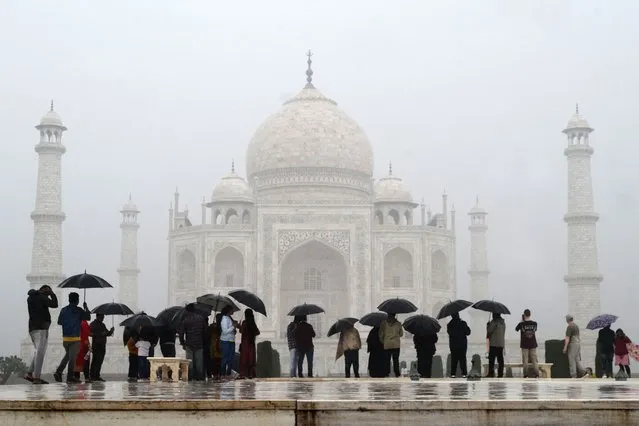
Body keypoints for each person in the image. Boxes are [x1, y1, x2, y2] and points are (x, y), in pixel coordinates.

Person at [25, 285, 58, 385]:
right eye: (48, 290)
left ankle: (30, 373)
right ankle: (37, 378)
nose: (49, 293)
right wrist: (52, 294)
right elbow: (55, 304)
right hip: (41, 328)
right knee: (40, 353)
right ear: (45, 289)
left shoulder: (30, 297)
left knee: (38, 351)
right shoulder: (42, 297)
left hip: (32, 328)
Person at [54, 292, 90, 384]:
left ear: (69, 300)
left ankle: (58, 372)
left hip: (65, 339)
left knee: (68, 356)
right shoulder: (79, 310)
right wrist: (86, 307)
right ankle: (70, 377)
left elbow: (59, 322)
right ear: (77, 300)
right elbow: (88, 317)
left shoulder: (63, 310)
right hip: (75, 339)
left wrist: (68, 322)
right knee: (72, 359)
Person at [178, 303, 208, 381]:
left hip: (189, 344)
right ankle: (200, 377)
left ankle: (190, 377)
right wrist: (203, 341)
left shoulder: (185, 320)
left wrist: (182, 343)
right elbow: (205, 331)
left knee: (190, 362)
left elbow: (181, 333)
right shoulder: (201, 318)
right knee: (199, 362)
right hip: (199, 344)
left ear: (187, 311)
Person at [89, 314, 114, 381]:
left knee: (100, 361)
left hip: (102, 345)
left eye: (103, 317)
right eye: (101, 317)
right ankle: (92, 375)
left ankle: (97, 375)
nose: (103, 318)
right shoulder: (93, 324)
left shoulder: (102, 325)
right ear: (97, 316)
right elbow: (89, 333)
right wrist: (99, 334)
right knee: (95, 360)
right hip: (96, 345)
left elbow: (107, 333)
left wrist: (111, 331)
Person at [515, 309, 539, 378]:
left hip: (524, 344)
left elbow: (516, 329)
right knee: (534, 360)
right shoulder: (535, 323)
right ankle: (536, 374)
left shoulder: (521, 324)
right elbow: (535, 330)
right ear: (530, 314)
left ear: (524, 315)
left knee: (525, 360)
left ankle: (525, 375)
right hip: (533, 344)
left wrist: (522, 321)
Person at [447, 312, 470, 378]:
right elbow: (468, 332)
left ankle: (453, 374)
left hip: (453, 344)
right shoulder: (463, 323)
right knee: (462, 358)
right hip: (462, 344)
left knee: (454, 359)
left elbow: (449, 333)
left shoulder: (450, 324)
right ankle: (464, 373)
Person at [379, 313, 403, 377]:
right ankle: (397, 373)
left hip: (387, 344)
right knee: (396, 360)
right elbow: (401, 334)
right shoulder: (398, 324)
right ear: (394, 315)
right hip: (396, 344)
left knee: (387, 360)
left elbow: (381, 334)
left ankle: (386, 373)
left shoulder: (384, 324)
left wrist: (383, 341)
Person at [239, 309, 260, 379]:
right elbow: (258, 332)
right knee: (251, 358)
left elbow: (241, 331)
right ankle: (251, 374)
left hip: (245, 343)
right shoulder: (253, 323)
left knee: (244, 358)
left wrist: (239, 326)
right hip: (251, 343)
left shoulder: (244, 323)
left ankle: (244, 374)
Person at [220, 305, 238, 378]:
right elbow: (225, 331)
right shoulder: (224, 319)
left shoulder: (229, 318)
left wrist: (234, 328)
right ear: (228, 311)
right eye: (232, 310)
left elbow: (231, 330)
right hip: (225, 341)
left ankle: (228, 373)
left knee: (231, 358)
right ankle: (223, 374)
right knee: (225, 358)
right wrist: (233, 326)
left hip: (231, 340)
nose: (233, 311)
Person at [486, 313, 506, 378]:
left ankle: (491, 373)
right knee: (500, 360)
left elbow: (489, 330)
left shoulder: (494, 321)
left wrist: (488, 325)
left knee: (491, 360)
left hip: (494, 343)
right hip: (501, 343)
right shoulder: (503, 323)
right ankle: (500, 374)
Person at [75, 318, 92, 383]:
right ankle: (87, 377)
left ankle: (76, 377)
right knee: (86, 361)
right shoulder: (84, 323)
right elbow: (87, 334)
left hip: (78, 345)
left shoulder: (78, 322)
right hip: (84, 346)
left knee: (77, 362)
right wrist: (88, 345)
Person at [209, 313, 223, 380]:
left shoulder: (214, 326)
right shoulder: (214, 326)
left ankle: (216, 374)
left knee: (216, 360)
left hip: (216, 345)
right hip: (216, 345)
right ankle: (218, 374)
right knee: (218, 361)